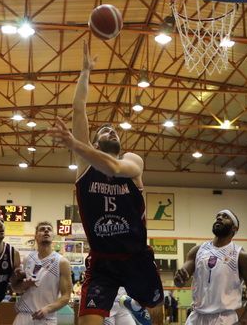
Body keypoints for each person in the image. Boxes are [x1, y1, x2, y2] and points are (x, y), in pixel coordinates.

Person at [47, 41, 163, 325]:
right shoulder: (86, 166)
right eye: (104, 131)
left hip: (136, 257)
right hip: (102, 261)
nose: (111, 131)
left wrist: (75, 144)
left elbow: (114, 167)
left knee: (158, 316)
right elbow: (79, 110)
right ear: (95, 144)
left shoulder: (132, 162)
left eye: (114, 131)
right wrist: (85, 72)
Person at [174, 210, 247, 325]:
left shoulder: (241, 256)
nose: (219, 218)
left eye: (225, 216)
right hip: (196, 317)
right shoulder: (197, 250)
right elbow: (180, 282)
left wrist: (243, 321)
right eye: (218, 216)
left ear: (235, 228)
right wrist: (179, 279)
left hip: (224, 319)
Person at [12, 221, 72, 325]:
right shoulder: (28, 258)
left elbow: (66, 296)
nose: (46, 231)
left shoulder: (62, 262)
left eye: (49, 229)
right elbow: (17, 289)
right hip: (24, 315)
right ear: (35, 236)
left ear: (53, 236)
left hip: (46, 317)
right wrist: (23, 283)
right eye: (42, 229)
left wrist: (48, 309)